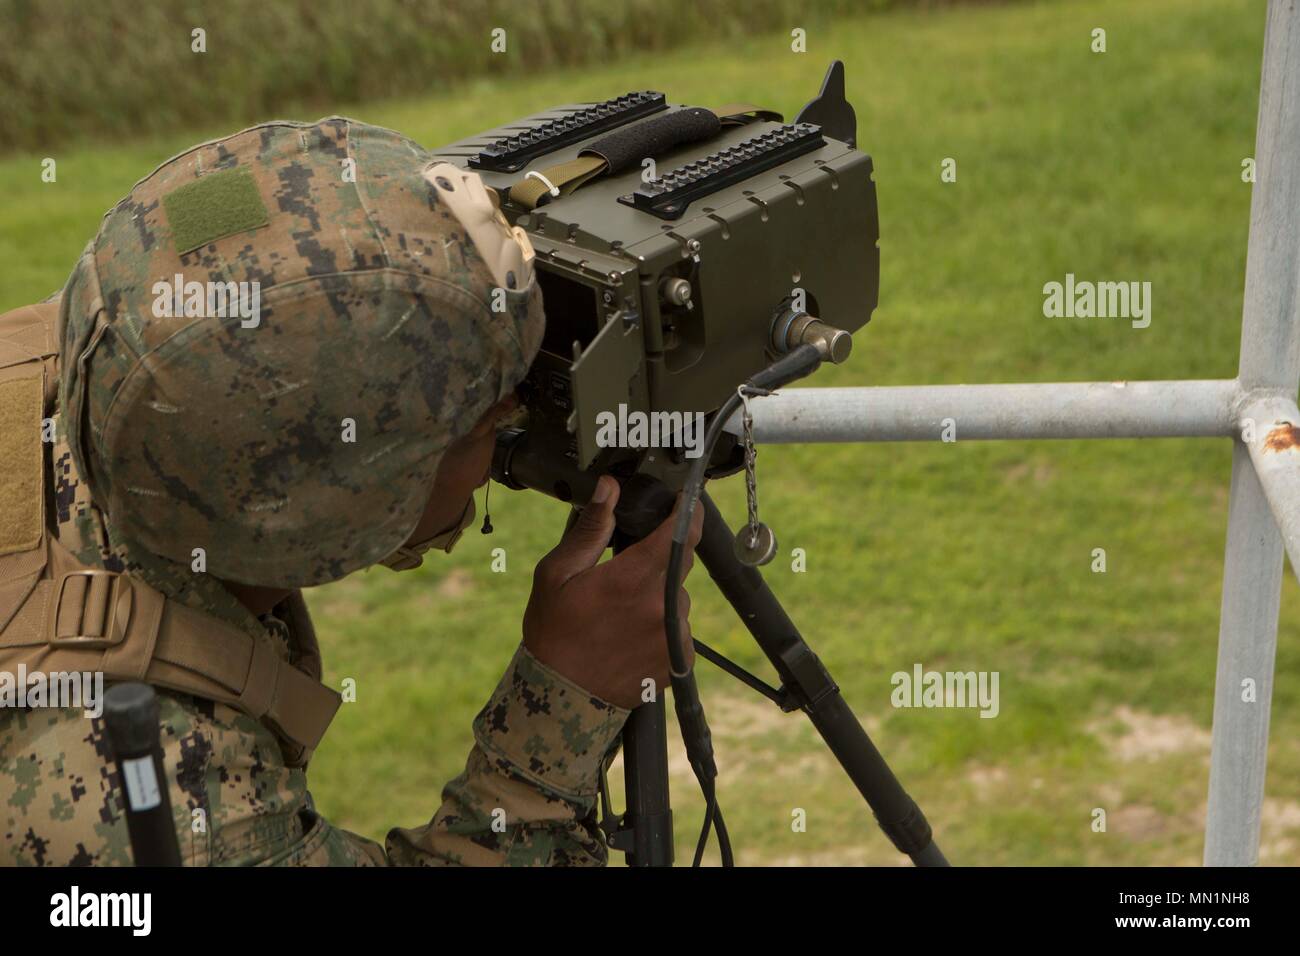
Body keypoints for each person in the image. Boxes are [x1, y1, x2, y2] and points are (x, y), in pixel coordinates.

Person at [0, 116, 701, 866]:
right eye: (480, 425)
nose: (506, 433)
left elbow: (281, 258)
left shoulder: (113, 355)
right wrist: (560, 705)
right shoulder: (148, 805)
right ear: (336, 510)